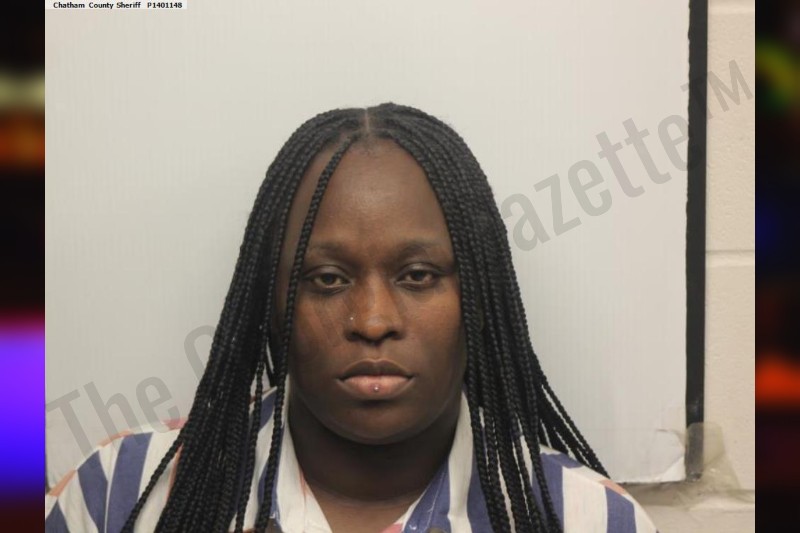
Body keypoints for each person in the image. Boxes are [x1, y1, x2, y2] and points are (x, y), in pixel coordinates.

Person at [45, 103, 658, 532]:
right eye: (327, 279)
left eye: (418, 276)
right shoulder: (121, 493)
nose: (372, 320)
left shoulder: (588, 521)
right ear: (269, 304)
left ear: (480, 298)